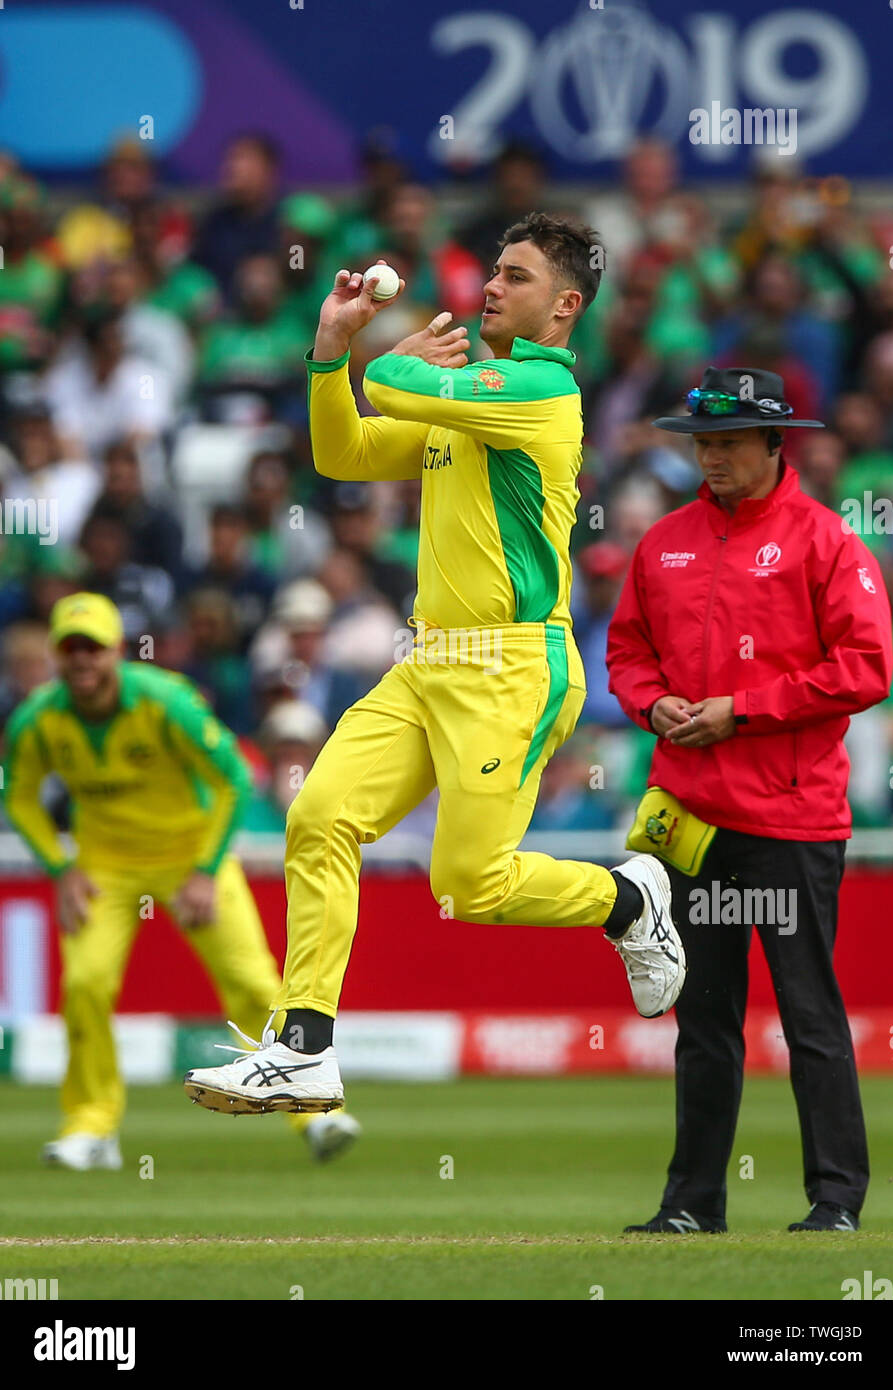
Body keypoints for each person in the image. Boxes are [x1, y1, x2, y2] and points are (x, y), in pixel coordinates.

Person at [184, 212, 686, 1118]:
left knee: (470, 885)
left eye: (518, 277)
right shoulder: (466, 398)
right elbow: (343, 453)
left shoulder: (539, 391)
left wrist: (378, 356)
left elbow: (398, 382)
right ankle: (304, 1046)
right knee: (322, 817)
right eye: (493, 270)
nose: (492, 287)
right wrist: (330, 354)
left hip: (513, 668)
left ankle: (625, 899)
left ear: (566, 306)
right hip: (429, 663)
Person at [607, 366, 893, 1233]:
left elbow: (867, 667)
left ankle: (836, 1203)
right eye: (702, 442)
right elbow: (626, 653)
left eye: (729, 442)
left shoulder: (827, 542)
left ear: (776, 443)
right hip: (689, 818)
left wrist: (743, 712)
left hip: (791, 820)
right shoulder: (663, 543)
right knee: (703, 1021)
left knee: (809, 1016)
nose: (712, 457)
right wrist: (651, 702)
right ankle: (693, 1205)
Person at [0, 592, 360, 1169]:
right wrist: (61, 868)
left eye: (93, 649)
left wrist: (206, 869)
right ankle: (92, 1127)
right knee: (85, 986)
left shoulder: (165, 701)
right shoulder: (39, 720)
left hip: (191, 856)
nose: (83, 661)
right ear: (56, 657)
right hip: (104, 868)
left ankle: (313, 1113)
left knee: (252, 980)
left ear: (117, 651)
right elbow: (16, 794)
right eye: (70, 649)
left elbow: (230, 779)